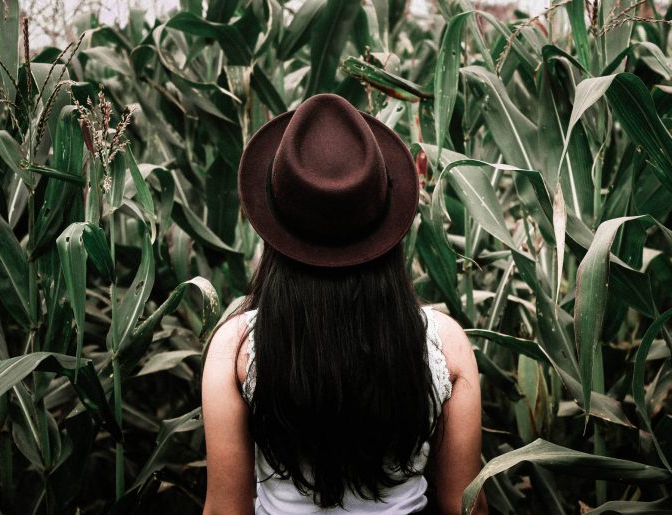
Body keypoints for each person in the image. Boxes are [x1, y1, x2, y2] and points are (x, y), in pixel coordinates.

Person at [201, 94, 487, 515]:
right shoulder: (446, 345)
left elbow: (226, 510)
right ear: (387, 227)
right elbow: (465, 507)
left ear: (276, 230)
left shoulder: (236, 349)